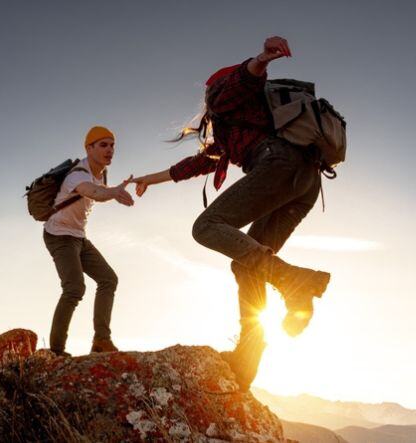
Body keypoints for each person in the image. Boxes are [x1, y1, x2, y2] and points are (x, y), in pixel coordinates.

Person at [131, 36, 331, 389]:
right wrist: (151, 178)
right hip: (306, 183)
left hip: (278, 166)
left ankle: (292, 281)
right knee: (246, 262)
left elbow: (246, 76)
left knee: (206, 226)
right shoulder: (236, 127)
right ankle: (247, 361)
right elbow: (196, 164)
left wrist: (261, 58)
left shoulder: (223, 95)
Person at [44, 126, 134, 357]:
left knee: (108, 279)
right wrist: (113, 192)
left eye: (112, 145)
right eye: (103, 145)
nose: (110, 149)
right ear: (89, 148)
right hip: (59, 235)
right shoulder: (78, 174)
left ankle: (101, 341)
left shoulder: (100, 173)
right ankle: (56, 351)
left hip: (78, 236)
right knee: (74, 288)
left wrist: (114, 191)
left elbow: (99, 191)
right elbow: (93, 192)